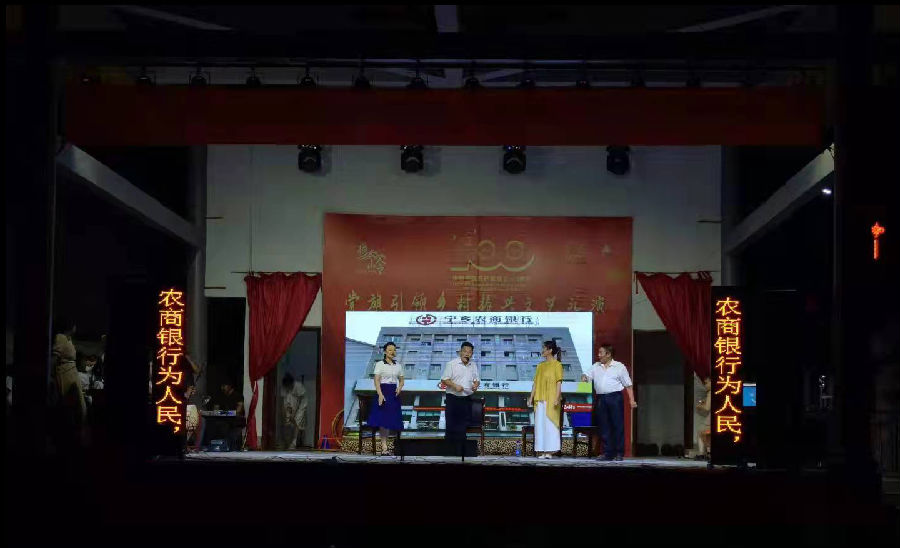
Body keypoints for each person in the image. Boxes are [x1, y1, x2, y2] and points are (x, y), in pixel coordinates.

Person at [581, 343, 636, 461]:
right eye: (598, 352)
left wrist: (632, 400)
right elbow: (586, 375)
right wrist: (584, 377)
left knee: (617, 425)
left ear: (608, 354)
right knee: (604, 426)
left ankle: (619, 453)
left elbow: (628, 385)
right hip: (601, 398)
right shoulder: (596, 366)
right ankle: (608, 453)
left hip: (615, 398)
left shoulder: (619, 367)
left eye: (601, 353)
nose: (598, 355)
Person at [51, 318, 87, 444]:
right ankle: (71, 438)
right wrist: (52, 376)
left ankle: (77, 435)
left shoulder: (68, 339)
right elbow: (55, 358)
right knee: (71, 406)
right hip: (65, 374)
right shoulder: (60, 337)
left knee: (80, 407)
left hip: (72, 373)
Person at [441, 341, 480, 456]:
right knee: (451, 425)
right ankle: (449, 453)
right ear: (460, 352)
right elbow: (444, 379)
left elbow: (477, 379)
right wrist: (455, 386)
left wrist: (476, 385)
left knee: (463, 426)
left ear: (472, 354)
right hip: (453, 398)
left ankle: (461, 453)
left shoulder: (473, 365)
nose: (467, 354)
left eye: (470, 352)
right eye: (465, 351)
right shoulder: (451, 364)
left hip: (466, 399)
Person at [527, 341, 564, 459]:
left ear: (550, 350)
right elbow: (535, 383)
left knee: (550, 425)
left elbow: (559, 383)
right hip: (540, 398)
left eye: (544, 348)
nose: (542, 350)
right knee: (540, 425)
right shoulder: (540, 366)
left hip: (551, 398)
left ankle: (550, 451)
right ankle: (542, 450)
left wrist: (557, 398)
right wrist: (531, 397)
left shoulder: (557, 365)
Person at [367, 342, 404, 455]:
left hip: (394, 393)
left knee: (392, 420)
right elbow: (376, 380)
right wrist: (380, 394)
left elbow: (401, 380)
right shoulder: (380, 364)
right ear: (385, 352)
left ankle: (393, 447)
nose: (393, 352)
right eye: (390, 350)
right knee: (383, 421)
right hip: (383, 392)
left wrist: (399, 387)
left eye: (394, 350)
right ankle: (384, 447)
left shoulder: (398, 365)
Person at [208, 378, 245, 451]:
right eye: (222, 386)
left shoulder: (238, 396)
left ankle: (231, 447)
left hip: (235, 419)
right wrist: (216, 410)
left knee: (227, 426)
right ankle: (215, 446)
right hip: (224, 419)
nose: (222, 388)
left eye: (224, 386)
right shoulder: (221, 396)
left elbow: (238, 411)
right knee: (212, 423)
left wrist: (231, 413)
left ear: (230, 386)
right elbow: (216, 409)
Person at [279, 372, 308, 450]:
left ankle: (293, 443)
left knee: (297, 420)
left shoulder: (298, 386)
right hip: (290, 404)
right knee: (287, 422)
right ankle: (286, 442)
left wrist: (294, 414)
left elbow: (301, 401)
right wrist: (285, 413)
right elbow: (284, 401)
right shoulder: (284, 387)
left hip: (301, 404)